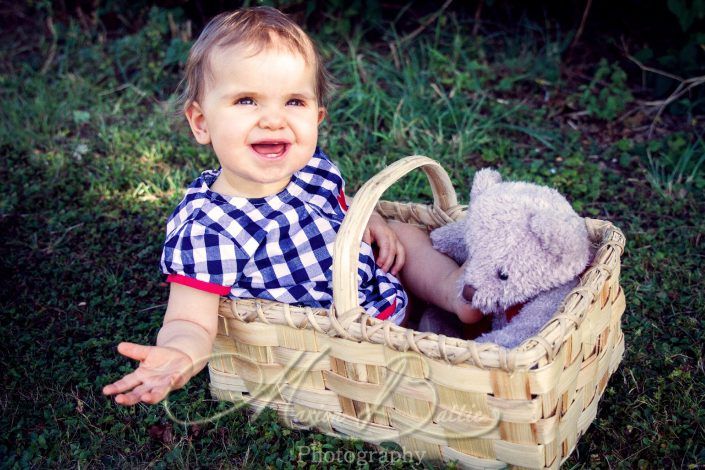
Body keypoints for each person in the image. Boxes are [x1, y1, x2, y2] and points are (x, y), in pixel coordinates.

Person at [103, 6, 481, 406]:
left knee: (406, 233)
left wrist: (369, 217)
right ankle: (442, 350)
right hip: (342, 338)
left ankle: (456, 293)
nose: (273, 119)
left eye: (294, 102)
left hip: (375, 281)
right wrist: (179, 353)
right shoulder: (208, 229)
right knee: (421, 366)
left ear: (317, 117)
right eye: (247, 100)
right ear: (201, 123)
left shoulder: (309, 168)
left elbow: (340, 201)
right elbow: (187, 319)